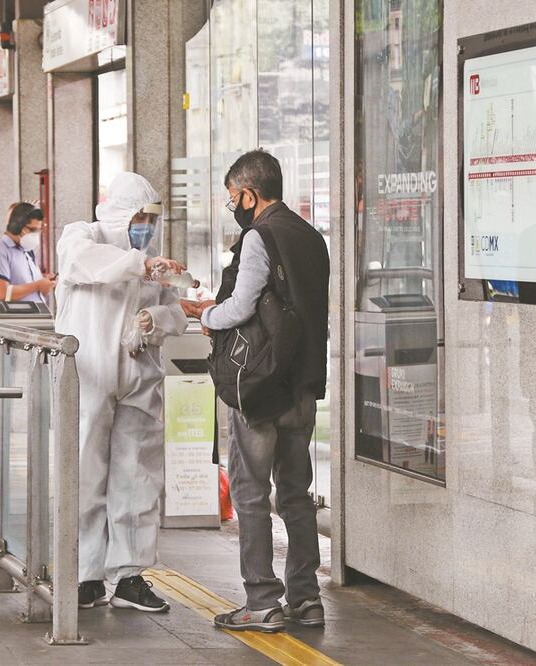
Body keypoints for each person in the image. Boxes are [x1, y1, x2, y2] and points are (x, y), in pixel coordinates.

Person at [182, 149, 329, 632]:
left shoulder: (258, 237)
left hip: (261, 386)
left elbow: (242, 306)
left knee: (250, 492)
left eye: (233, 197)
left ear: (249, 194)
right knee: (295, 493)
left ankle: (262, 601)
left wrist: (206, 314)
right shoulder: (311, 236)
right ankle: (306, 598)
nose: (234, 206)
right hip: (302, 384)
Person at [54, 172, 188, 613]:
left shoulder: (152, 263)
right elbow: (81, 263)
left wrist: (155, 319)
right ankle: (83, 574)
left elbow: (176, 314)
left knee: (137, 476)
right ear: (118, 214)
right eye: (139, 218)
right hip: (87, 375)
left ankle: (129, 575)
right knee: (84, 473)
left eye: (151, 219)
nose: (146, 227)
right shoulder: (83, 236)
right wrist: (140, 266)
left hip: (138, 378)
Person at [0, 203, 55, 303]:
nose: (36, 235)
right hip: (13, 313)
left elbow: (27, 287)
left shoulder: (27, 252)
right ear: (17, 227)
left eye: (39, 230)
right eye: (33, 230)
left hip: (34, 312)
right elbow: (2, 293)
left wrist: (44, 283)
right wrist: (37, 286)